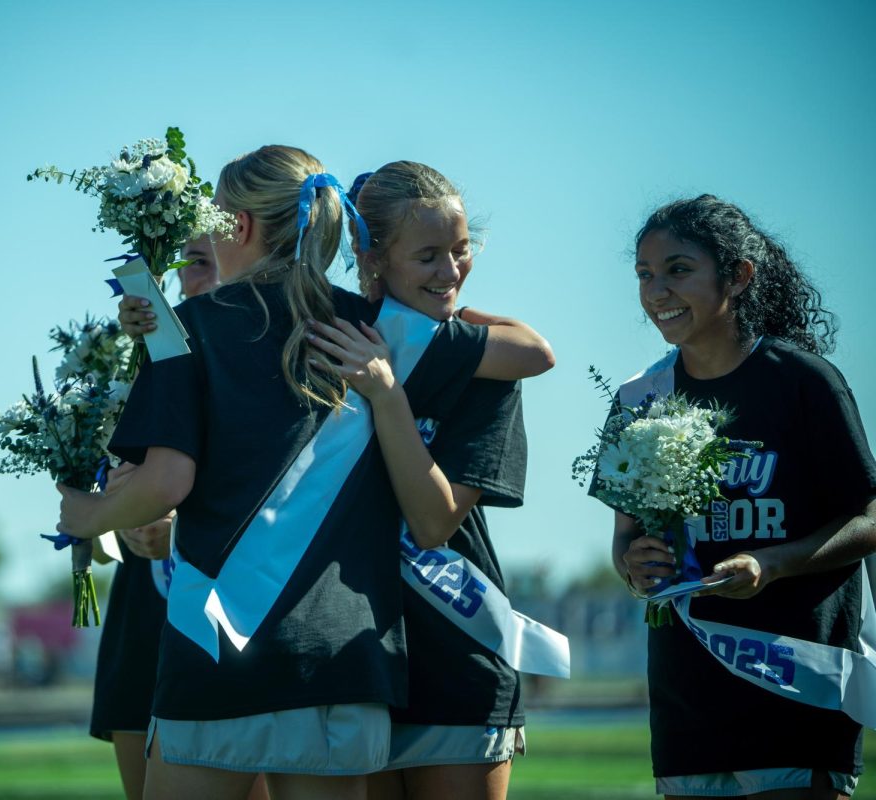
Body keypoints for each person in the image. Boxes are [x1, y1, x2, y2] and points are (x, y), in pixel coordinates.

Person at [59, 144, 551, 800]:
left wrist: (85, 516)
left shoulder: (183, 329)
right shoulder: (381, 328)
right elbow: (532, 354)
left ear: (237, 226)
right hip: (340, 660)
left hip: (212, 648)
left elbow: (165, 482)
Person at [605, 195, 876, 799]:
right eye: (645, 275)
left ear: (740, 275)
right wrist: (634, 563)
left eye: (678, 270)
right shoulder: (637, 398)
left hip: (794, 687)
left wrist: (772, 563)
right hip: (686, 694)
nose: (657, 292)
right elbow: (624, 544)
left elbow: (870, 516)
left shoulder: (804, 381)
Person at [306, 162, 553, 800]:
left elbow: (434, 523)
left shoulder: (483, 361)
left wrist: (387, 397)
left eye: (460, 250)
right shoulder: (326, 331)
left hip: (454, 652)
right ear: (371, 253)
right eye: (427, 256)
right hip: (345, 658)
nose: (449, 272)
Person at [91, 236, 268, 800]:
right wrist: (122, 522)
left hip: (235, 610)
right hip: (143, 610)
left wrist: (182, 527)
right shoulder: (141, 359)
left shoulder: (266, 357)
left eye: (219, 258)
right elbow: (100, 498)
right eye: (193, 262)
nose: (206, 274)